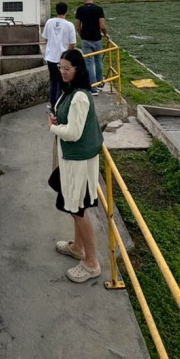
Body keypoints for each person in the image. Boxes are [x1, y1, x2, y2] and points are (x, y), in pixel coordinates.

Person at [47, 49, 104, 283]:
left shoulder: (80, 96)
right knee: (75, 207)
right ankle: (77, 248)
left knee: (78, 211)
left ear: (77, 70)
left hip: (78, 163)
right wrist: (58, 119)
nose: (62, 72)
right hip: (73, 160)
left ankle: (91, 263)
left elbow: (73, 132)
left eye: (67, 68)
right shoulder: (72, 91)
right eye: (60, 67)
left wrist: (53, 127)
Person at [42, 1, 77, 107]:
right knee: (64, 82)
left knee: (53, 82)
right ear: (65, 11)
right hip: (63, 60)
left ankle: (53, 104)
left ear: (56, 10)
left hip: (51, 58)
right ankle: (61, 105)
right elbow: (73, 44)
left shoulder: (49, 22)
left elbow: (45, 39)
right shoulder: (69, 25)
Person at [75, 0, 110, 95]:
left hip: (86, 39)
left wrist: (81, 36)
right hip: (97, 38)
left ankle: (93, 88)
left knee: (89, 63)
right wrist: (106, 34)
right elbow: (102, 26)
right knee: (98, 61)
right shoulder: (99, 9)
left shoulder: (80, 9)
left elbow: (77, 26)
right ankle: (100, 85)